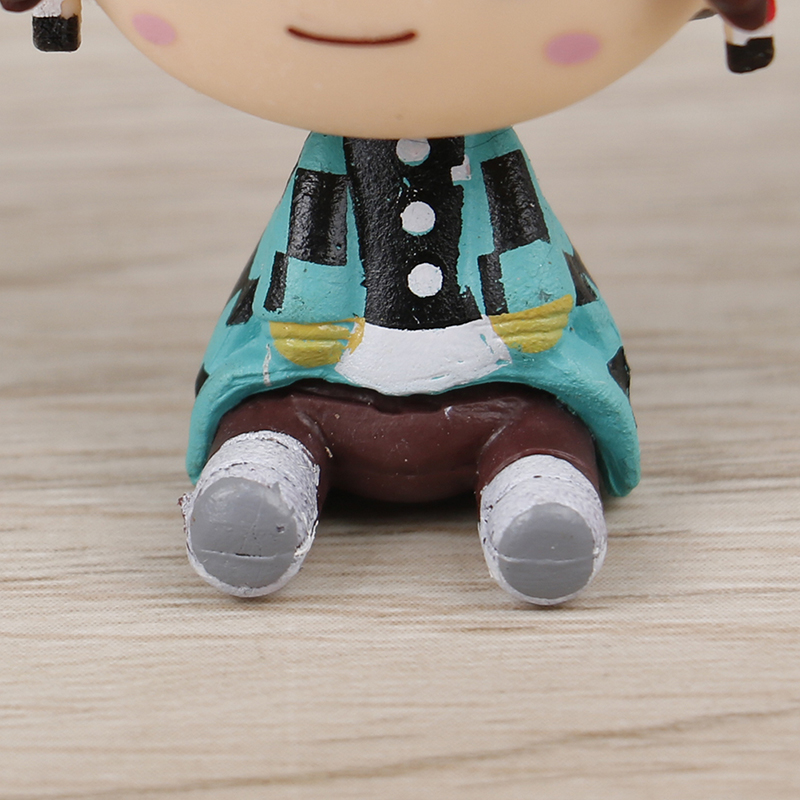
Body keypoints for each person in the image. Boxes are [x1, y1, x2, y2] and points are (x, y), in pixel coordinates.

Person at [2, 0, 775, 604]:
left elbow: (517, 226)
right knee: (268, 406)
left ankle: (539, 483)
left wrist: (528, 304)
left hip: (502, 364)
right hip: (323, 369)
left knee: (545, 415)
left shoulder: (492, 159)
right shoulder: (328, 168)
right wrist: (305, 314)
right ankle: (265, 470)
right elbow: (312, 233)